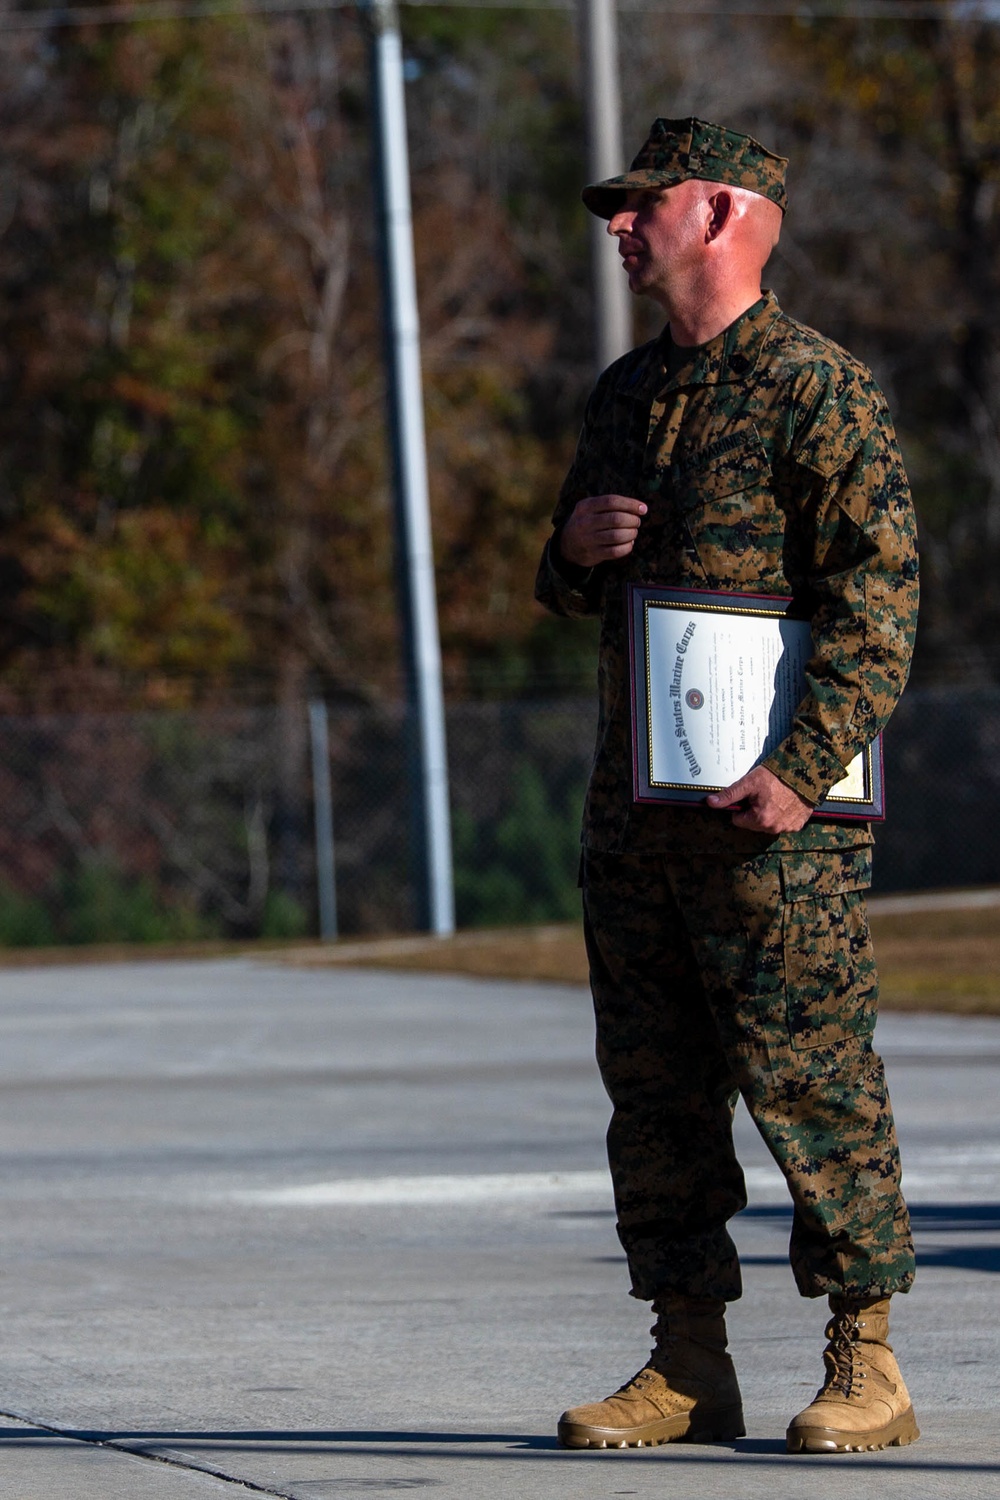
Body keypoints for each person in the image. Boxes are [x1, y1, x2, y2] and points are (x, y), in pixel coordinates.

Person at [534, 117, 920, 1456]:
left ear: (722, 212)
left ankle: (866, 1358)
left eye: (642, 206)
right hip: (637, 815)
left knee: (810, 1077)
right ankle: (687, 1361)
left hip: (775, 823)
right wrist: (572, 548)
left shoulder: (820, 389)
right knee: (655, 1091)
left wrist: (802, 774)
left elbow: (878, 601)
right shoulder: (627, 395)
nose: (621, 228)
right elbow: (572, 578)